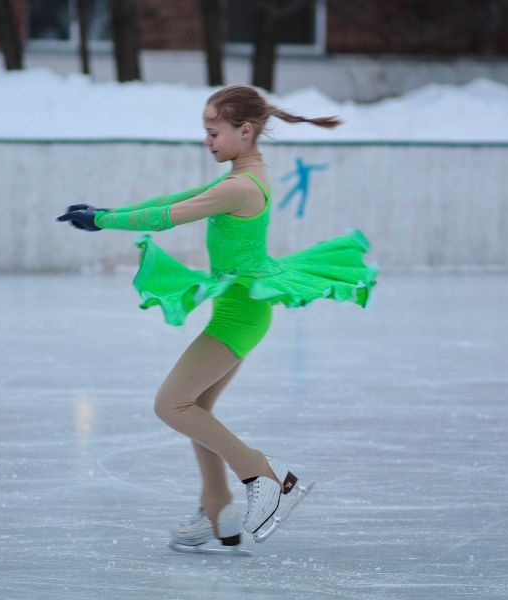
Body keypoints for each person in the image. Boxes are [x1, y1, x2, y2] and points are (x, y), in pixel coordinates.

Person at [57, 85, 377, 554]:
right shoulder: (244, 175)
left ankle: (264, 474)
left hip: (240, 313)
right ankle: (217, 508)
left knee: (171, 405)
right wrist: (109, 211)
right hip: (239, 306)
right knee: (196, 408)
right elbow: (175, 197)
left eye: (213, 132)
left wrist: (104, 224)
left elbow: (170, 216)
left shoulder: (241, 187)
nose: (206, 141)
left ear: (244, 131)